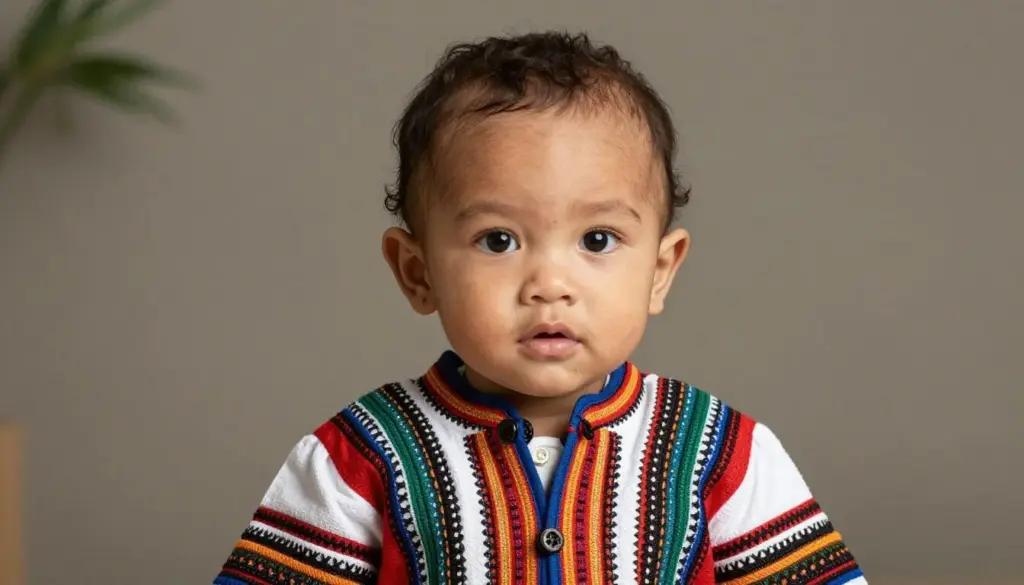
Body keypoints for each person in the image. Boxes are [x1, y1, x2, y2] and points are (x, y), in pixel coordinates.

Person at [211, 31, 867, 585]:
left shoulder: (716, 450)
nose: (550, 283)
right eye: (498, 240)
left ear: (660, 271)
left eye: (597, 239)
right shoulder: (364, 453)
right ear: (418, 272)